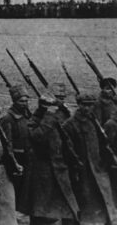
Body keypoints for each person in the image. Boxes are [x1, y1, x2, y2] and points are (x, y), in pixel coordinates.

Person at [22, 91, 80, 225]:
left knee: (70, 212)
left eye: (62, 98)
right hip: (44, 174)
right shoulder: (36, 119)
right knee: (43, 215)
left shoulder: (63, 115)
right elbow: (38, 137)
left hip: (62, 169)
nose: (60, 101)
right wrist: (49, 115)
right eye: (57, 99)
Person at [62, 92, 117, 224]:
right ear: (78, 105)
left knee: (105, 202)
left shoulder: (93, 121)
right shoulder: (69, 125)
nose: (87, 108)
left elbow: (103, 144)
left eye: (90, 105)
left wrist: (111, 160)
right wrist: (76, 168)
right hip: (83, 173)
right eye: (84, 105)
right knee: (87, 204)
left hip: (99, 169)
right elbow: (67, 151)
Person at [0, 84, 32, 214]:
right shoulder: (8, 118)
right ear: (14, 101)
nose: (24, 104)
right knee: (14, 190)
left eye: (26, 101)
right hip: (16, 160)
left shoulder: (27, 116)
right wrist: (14, 163)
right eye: (21, 101)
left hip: (27, 158)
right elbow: (7, 144)